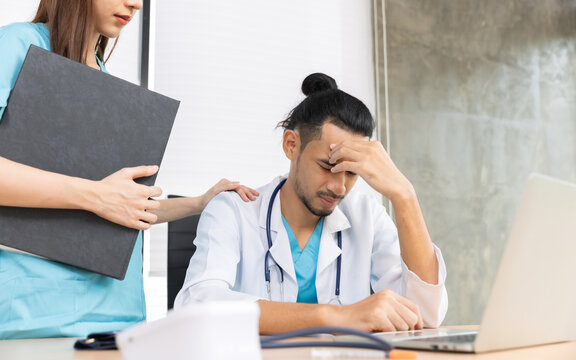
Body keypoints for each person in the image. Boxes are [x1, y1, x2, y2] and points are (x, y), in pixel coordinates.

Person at [0, 0, 258, 339]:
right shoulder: (16, 44)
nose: (135, 3)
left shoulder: (106, 83)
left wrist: (199, 203)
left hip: (118, 321)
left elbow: (119, 205)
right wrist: (96, 196)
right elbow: (101, 198)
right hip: (31, 317)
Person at [175, 73, 448, 334]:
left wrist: (405, 196)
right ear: (291, 145)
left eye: (352, 172)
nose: (339, 187)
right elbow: (197, 305)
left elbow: (425, 315)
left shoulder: (367, 216)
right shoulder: (233, 211)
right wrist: (332, 316)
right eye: (327, 166)